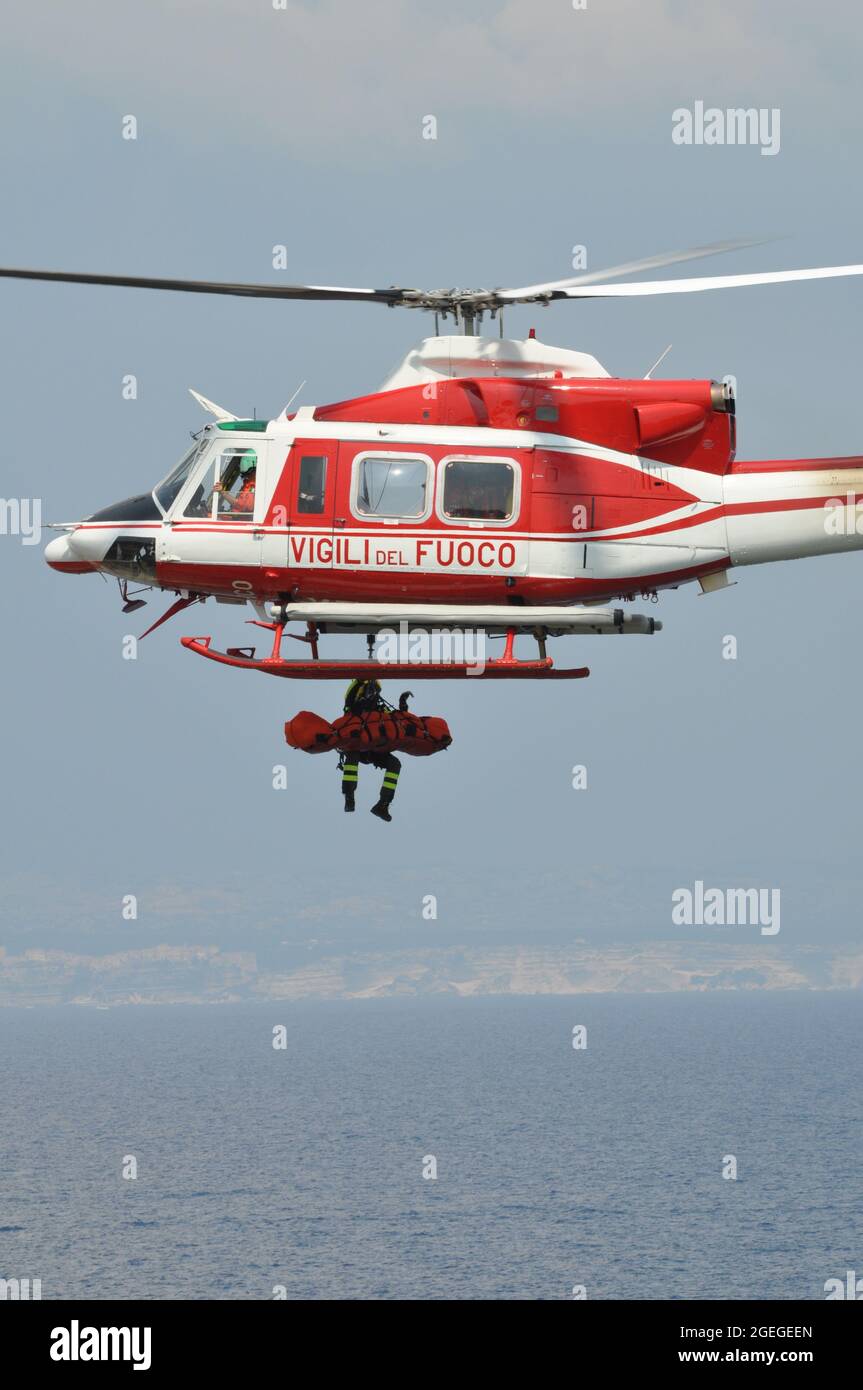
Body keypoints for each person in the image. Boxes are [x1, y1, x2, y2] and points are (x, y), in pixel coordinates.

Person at [341, 678, 401, 822]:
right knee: (352, 754)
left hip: (374, 749)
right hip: (358, 746)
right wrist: (364, 684)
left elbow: (396, 719)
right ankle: (349, 796)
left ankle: (383, 804)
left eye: (375, 691)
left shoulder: (380, 709)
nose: (374, 693)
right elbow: (350, 697)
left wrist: (403, 706)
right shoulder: (352, 707)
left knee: (395, 764)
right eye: (371, 690)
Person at [214, 452, 256, 516]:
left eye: (247, 473)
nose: (246, 476)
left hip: (242, 521)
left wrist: (222, 492)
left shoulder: (254, 486)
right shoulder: (248, 484)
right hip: (236, 516)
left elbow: (242, 505)